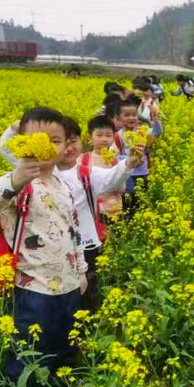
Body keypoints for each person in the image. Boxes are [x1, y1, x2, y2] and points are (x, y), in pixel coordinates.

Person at [0, 107, 86, 387]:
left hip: (67, 286)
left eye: (54, 140)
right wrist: (17, 177)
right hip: (32, 288)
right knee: (27, 356)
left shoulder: (63, 185)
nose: (45, 147)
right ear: (21, 143)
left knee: (58, 351)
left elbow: (73, 230)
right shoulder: (19, 182)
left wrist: (81, 271)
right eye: (37, 139)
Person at [56, 117, 142, 311]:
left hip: (88, 236)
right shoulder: (42, 173)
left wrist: (128, 163)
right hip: (57, 244)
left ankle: (87, 318)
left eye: (73, 141)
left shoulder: (86, 171)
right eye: (61, 142)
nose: (68, 148)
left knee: (89, 281)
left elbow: (112, 179)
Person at [114, 96, 163, 214]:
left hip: (143, 172)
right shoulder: (118, 136)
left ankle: (140, 218)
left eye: (134, 115)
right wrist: (129, 159)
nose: (131, 118)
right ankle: (128, 220)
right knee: (129, 199)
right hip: (127, 174)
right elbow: (114, 156)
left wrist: (155, 118)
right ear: (119, 119)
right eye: (127, 115)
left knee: (142, 199)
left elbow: (157, 131)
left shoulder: (142, 131)